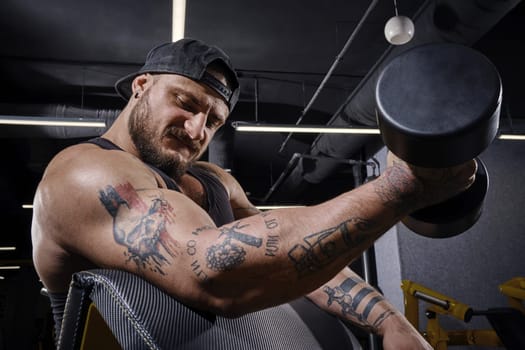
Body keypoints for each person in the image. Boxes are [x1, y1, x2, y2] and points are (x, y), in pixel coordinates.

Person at [31, 38, 476, 349]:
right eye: (185, 103)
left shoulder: (212, 179)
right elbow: (212, 274)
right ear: (142, 86)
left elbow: (291, 253)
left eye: (214, 121)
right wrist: (401, 189)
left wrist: (389, 321)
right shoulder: (83, 174)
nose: (197, 130)